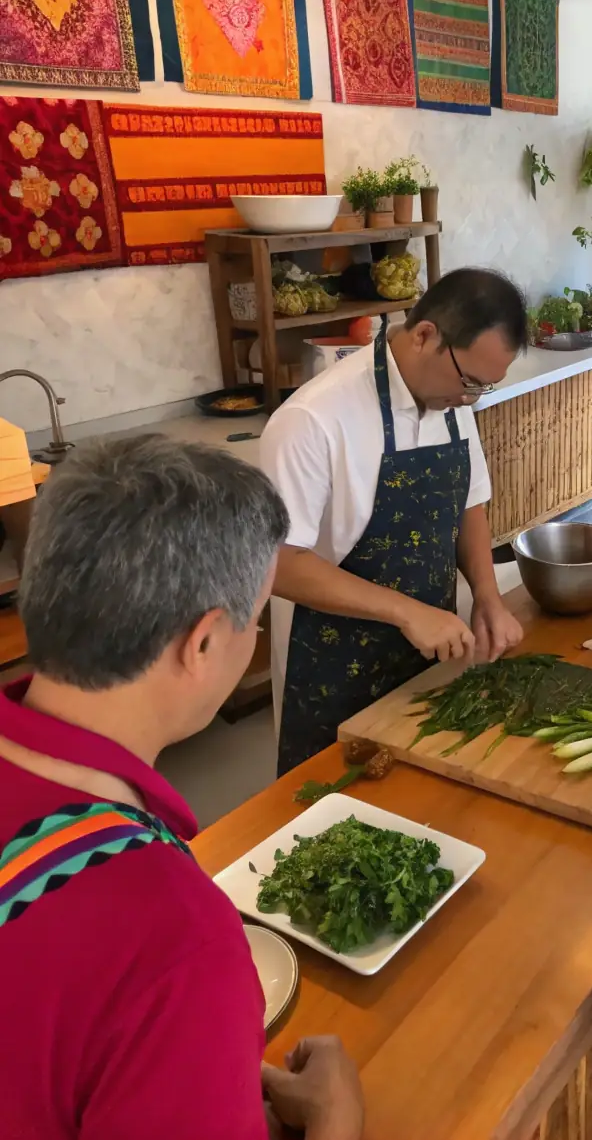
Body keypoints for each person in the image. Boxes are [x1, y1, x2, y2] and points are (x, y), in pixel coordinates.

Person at [0, 435, 364, 1140]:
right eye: (254, 618)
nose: (254, 633)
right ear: (201, 645)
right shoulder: (177, 943)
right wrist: (336, 1123)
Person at [263, 267, 526, 775]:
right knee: (332, 802)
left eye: (483, 388)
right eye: (469, 381)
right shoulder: (313, 419)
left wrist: (488, 597)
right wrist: (407, 612)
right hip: (331, 661)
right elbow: (278, 562)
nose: (470, 397)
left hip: (427, 647)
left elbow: (469, 502)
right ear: (426, 335)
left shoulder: (452, 401)